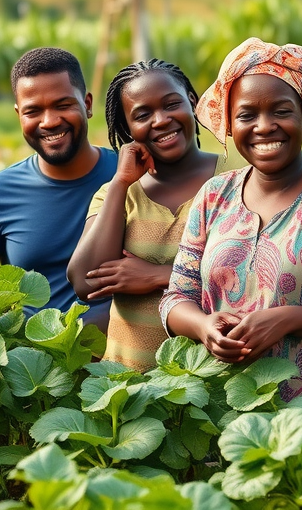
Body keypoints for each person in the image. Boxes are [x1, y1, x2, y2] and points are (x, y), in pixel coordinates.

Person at [160, 37, 302, 400]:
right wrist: (204, 326)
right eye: (247, 114)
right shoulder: (213, 195)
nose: (264, 126)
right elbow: (176, 298)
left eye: (281, 111)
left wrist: (288, 319)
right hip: (224, 406)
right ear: (228, 122)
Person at [67, 59, 223, 371]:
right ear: (127, 128)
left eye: (171, 104)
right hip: (127, 388)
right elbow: (86, 281)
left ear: (193, 102)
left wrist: (158, 276)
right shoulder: (118, 194)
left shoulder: (239, 180)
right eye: (143, 115)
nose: (161, 120)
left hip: (212, 382)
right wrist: (121, 182)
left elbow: (260, 278)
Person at [0, 47, 118, 329]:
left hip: (123, 361)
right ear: (18, 115)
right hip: (34, 366)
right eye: (33, 111)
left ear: (87, 103)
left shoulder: (130, 175)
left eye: (63, 105)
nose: (49, 121)